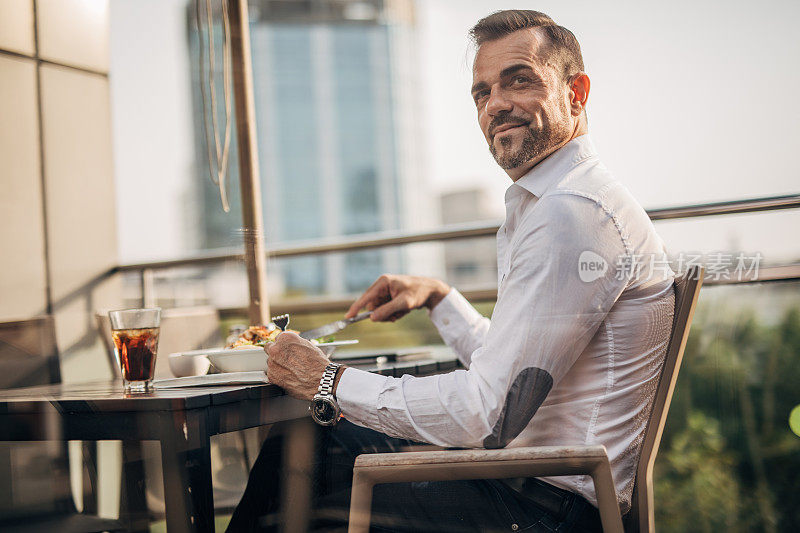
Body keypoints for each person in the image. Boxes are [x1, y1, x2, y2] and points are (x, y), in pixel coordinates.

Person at [228, 9, 675, 532]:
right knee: (311, 449)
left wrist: (327, 380)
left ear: (577, 92)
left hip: (543, 510)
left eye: (519, 80)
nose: (496, 105)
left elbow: (485, 413)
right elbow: (514, 371)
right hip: (534, 487)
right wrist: (440, 298)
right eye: (482, 93)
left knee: (303, 454)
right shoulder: (571, 201)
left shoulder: (571, 212)